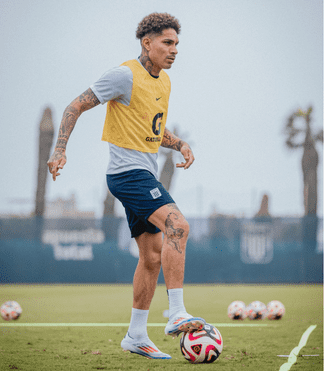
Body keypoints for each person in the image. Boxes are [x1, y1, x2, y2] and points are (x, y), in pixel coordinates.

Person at [47, 13, 205, 360]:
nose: (174, 50)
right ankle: (177, 313)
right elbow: (75, 105)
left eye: (177, 44)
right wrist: (60, 149)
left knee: (150, 256)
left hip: (142, 174)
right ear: (147, 43)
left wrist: (179, 144)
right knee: (177, 225)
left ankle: (135, 335)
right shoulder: (123, 74)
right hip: (127, 174)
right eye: (167, 42)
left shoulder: (162, 82)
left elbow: (151, 129)